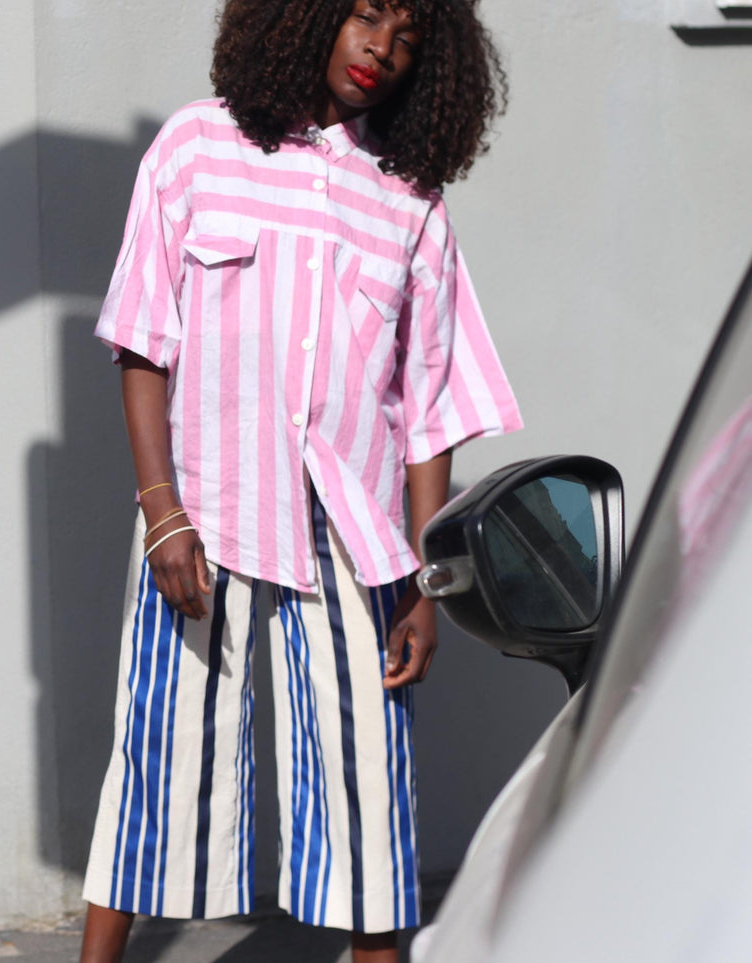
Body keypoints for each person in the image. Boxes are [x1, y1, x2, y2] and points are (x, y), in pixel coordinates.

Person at [78, 2, 521, 961]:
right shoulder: (198, 147)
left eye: (408, 39)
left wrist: (426, 580)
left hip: (355, 539)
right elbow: (143, 340)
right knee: (158, 760)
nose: (381, 51)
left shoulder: (408, 200)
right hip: (205, 509)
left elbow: (425, 406)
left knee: (370, 789)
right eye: (366, 15)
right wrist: (161, 515)